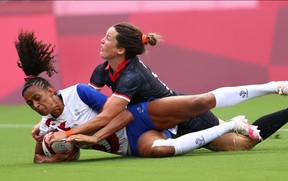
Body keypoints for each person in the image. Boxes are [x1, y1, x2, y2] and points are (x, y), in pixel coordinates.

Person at [16, 30, 288, 163]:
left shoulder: (131, 74)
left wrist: (80, 134)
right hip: (148, 124)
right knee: (240, 145)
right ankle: (237, 123)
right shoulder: (101, 71)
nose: (101, 41)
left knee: (202, 100)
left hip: (166, 111)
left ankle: (274, 86)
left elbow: (114, 113)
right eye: (31, 104)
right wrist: (51, 132)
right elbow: (87, 102)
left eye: (107, 38)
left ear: (121, 49)